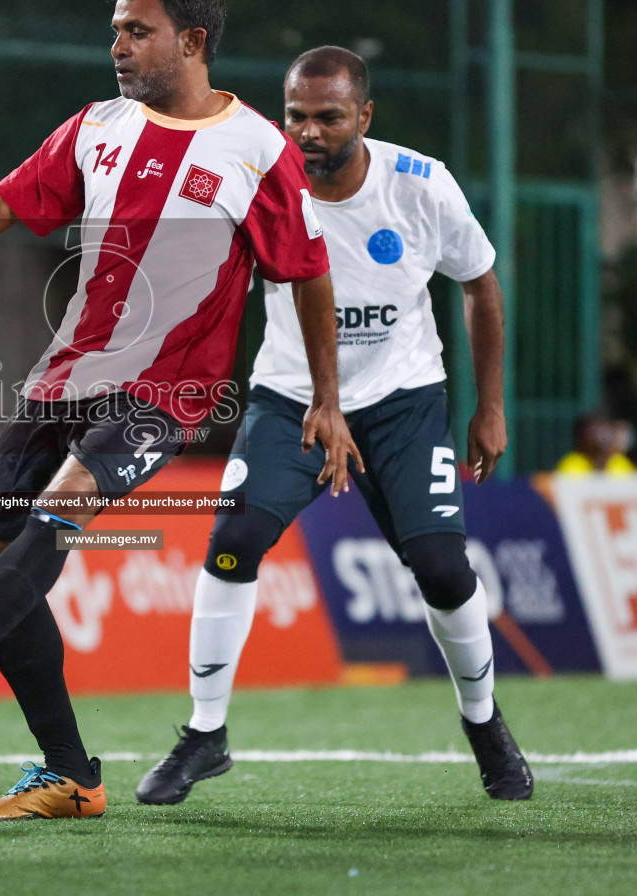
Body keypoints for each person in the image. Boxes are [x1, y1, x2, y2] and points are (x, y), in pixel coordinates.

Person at [0, 0, 356, 820]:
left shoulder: (258, 149)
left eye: (135, 31)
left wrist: (326, 397)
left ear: (192, 41)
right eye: (115, 29)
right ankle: (71, 774)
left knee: (56, 513)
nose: (116, 46)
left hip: (167, 392)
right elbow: (1, 205)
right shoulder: (96, 127)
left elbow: (308, 273)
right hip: (65, 376)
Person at [135, 45, 534, 807]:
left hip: (403, 401)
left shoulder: (422, 186)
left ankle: (485, 725)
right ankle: (204, 734)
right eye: (296, 117)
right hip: (291, 400)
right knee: (232, 544)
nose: (308, 132)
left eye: (328, 117)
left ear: (365, 117)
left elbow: (480, 286)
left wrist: (489, 406)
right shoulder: (258, 184)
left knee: (444, 571)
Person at [553, 410, 637, 476]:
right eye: (594, 432)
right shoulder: (572, 465)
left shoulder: (620, 464)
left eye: (604, 431)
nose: (601, 438)